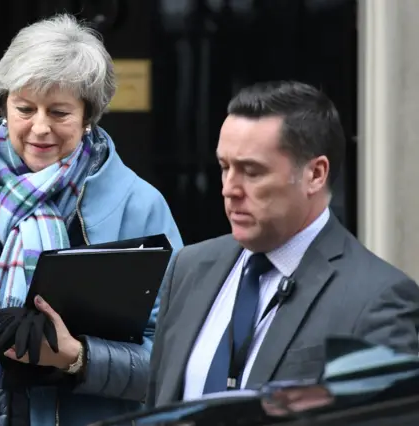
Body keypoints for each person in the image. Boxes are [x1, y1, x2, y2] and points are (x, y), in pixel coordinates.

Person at [0, 14, 183, 426]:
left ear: (88, 115)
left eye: (59, 112)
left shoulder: (139, 205)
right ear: (3, 103)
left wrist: (79, 357)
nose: (39, 128)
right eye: (24, 108)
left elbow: (176, 356)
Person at [147, 80, 419, 407]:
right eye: (224, 167)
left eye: (252, 171)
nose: (229, 189)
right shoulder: (188, 268)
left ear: (315, 174)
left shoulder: (377, 299)